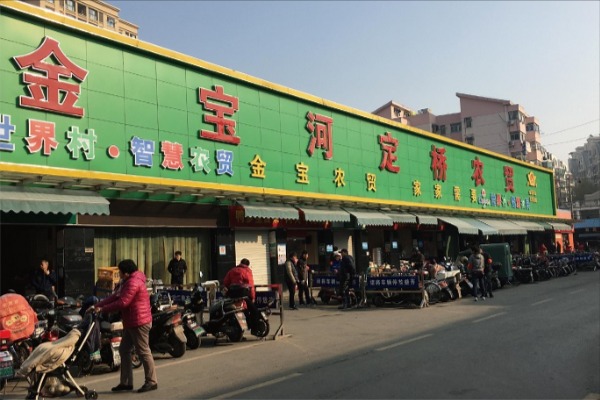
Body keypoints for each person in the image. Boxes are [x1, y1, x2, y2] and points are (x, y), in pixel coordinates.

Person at [89, 259, 157, 393]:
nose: (118, 274)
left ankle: (152, 381)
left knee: (143, 351)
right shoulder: (126, 282)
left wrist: (102, 309)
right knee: (124, 350)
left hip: (139, 322)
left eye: (120, 272)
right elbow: (115, 297)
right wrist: (97, 305)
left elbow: (123, 302)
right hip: (131, 321)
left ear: (126, 273)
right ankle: (126, 382)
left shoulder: (133, 283)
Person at [223, 258, 260, 331]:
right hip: (244, 296)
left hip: (233, 297)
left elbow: (225, 282)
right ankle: (254, 329)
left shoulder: (232, 270)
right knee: (254, 310)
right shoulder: (247, 271)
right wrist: (253, 297)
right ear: (248, 265)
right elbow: (251, 285)